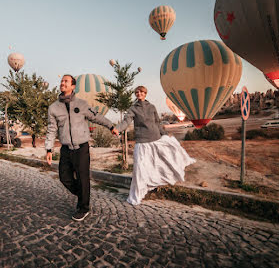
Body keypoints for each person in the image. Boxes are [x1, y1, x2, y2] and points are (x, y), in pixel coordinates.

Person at [45, 74, 117, 221]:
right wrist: (48, 148)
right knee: (64, 177)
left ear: (73, 86)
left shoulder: (82, 104)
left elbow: (97, 116)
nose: (62, 83)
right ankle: (84, 194)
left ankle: (83, 207)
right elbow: (51, 129)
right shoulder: (53, 108)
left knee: (83, 177)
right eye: (61, 81)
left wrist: (111, 126)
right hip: (65, 148)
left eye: (66, 81)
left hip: (81, 148)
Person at [112, 86, 196, 205]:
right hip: (142, 142)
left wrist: (165, 135)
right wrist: (118, 128)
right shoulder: (133, 109)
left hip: (156, 139)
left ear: (145, 93)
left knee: (163, 160)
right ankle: (137, 195)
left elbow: (157, 123)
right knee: (139, 169)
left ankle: (159, 182)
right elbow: (126, 121)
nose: (139, 94)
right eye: (136, 92)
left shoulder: (152, 107)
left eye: (141, 92)